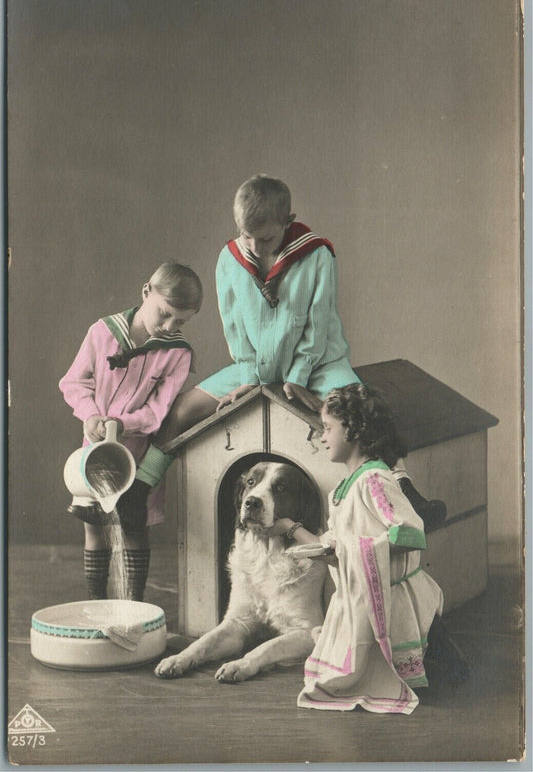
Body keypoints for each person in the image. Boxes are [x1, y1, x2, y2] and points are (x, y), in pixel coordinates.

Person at [118, 175, 445, 529]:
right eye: (246, 236)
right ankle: (140, 491)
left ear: (288, 222)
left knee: (365, 412)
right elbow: (236, 329)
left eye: (266, 238)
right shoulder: (228, 260)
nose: (256, 247)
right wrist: (248, 378)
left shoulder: (318, 254)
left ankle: (408, 497)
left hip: (319, 363)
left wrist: (298, 379)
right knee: (180, 410)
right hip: (255, 366)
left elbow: (317, 328)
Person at [270, 384, 465, 714]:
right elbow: (334, 542)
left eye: (328, 428)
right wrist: (306, 538)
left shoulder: (375, 480)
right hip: (364, 598)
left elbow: (410, 532)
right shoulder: (343, 489)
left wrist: (352, 551)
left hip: (395, 598)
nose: (322, 437)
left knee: (449, 676)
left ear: (354, 429)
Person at [59, 261, 203, 601]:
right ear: (145, 292)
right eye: (164, 314)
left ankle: (134, 605)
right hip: (96, 448)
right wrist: (91, 415)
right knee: (95, 525)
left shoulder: (177, 354)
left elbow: (158, 411)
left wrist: (125, 424)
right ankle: (96, 601)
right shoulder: (102, 332)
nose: (169, 326)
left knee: (135, 527)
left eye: (180, 321)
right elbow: (74, 382)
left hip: (139, 453)